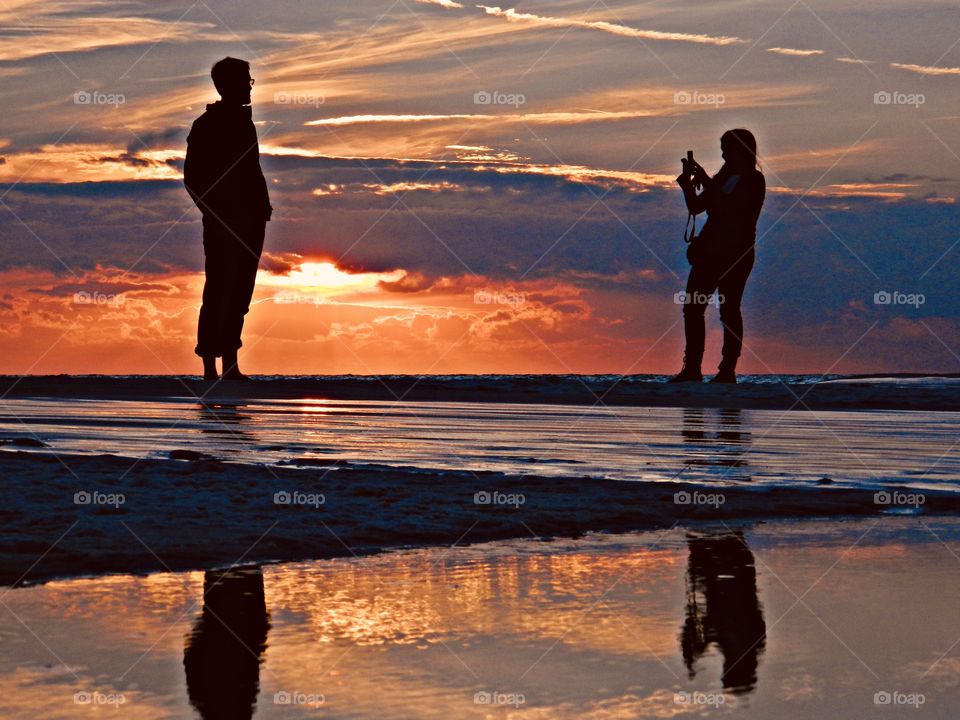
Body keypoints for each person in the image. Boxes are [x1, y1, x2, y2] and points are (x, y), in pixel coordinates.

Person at [184, 57, 272, 381]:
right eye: (246, 80)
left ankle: (230, 364)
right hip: (223, 222)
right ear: (228, 84)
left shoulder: (244, 122)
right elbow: (192, 178)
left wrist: (261, 207)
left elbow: (252, 171)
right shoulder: (206, 126)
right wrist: (214, 211)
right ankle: (210, 366)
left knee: (240, 291)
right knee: (219, 288)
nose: (250, 86)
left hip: (251, 220)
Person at [670, 129, 765, 384]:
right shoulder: (723, 178)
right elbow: (698, 207)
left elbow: (730, 207)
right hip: (710, 253)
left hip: (736, 254)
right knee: (693, 308)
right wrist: (688, 184)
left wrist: (705, 179)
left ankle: (727, 370)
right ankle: (692, 369)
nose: (722, 153)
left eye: (726, 148)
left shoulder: (753, 180)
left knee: (729, 310)